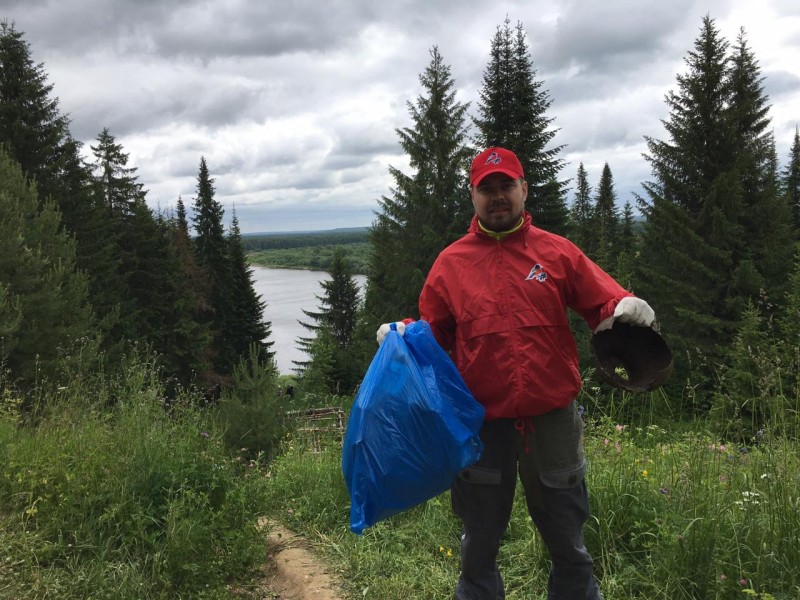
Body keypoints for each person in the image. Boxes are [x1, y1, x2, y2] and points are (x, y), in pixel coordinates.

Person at [376, 146, 656, 600]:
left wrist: (620, 306)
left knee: (567, 534)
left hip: (552, 417)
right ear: (473, 196)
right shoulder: (452, 264)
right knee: (479, 538)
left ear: (524, 189)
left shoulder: (556, 252)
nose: (498, 196)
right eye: (487, 189)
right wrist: (404, 333)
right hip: (481, 421)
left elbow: (600, 300)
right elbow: (436, 330)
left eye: (506, 185)